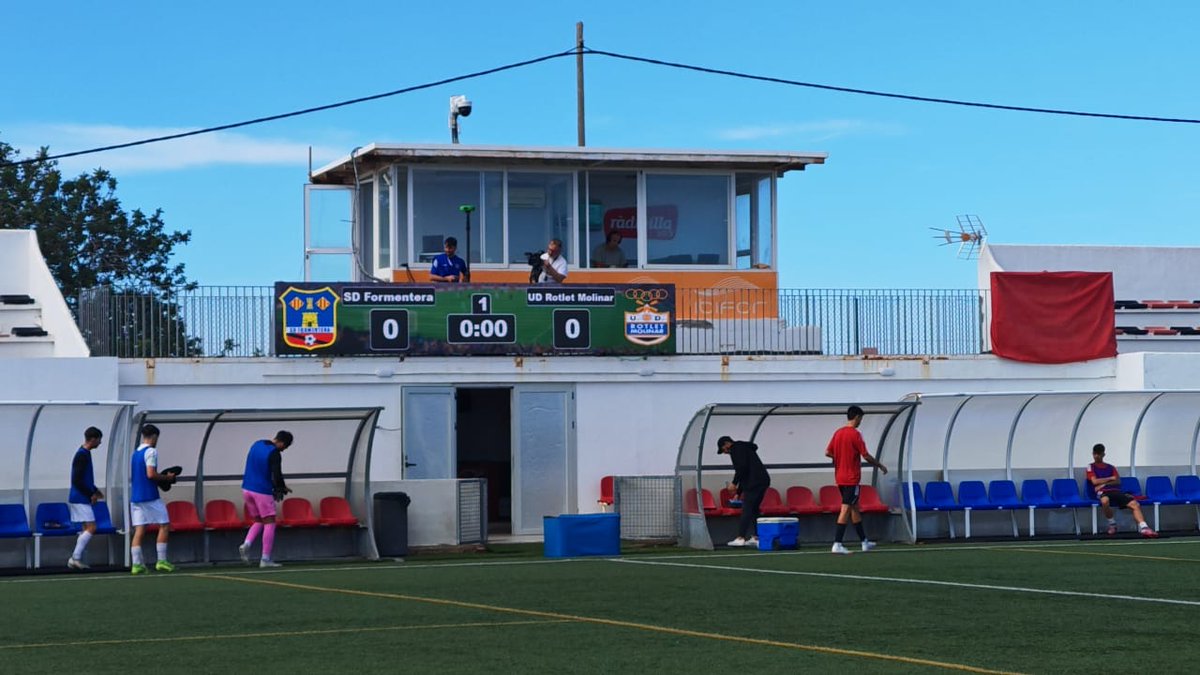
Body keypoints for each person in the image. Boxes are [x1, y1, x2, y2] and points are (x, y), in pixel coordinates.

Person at [825, 405, 888, 555]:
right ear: (857, 417)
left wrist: (840, 458)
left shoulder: (838, 433)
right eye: (861, 419)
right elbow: (865, 455)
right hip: (851, 479)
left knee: (854, 509)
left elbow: (828, 452)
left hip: (840, 478)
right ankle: (837, 543)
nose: (860, 422)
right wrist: (879, 465)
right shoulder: (855, 434)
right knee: (846, 509)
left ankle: (864, 542)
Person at [238, 430, 295, 568]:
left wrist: (280, 486)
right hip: (262, 491)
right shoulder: (274, 453)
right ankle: (265, 559)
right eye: (285, 447)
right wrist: (280, 487)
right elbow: (277, 474)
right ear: (281, 442)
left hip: (247, 488)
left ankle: (247, 544)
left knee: (258, 520)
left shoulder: (257, 444)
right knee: (270, 522)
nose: (283, 450)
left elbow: (257, 467)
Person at [129, 423, 178, 574]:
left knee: (140, 529)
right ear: (154, 437)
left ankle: (136, 564)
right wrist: (167, 478)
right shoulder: (151, 451)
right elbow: (151, 474)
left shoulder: (136, 452)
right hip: (150, 495)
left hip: (136, 497)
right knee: (164, 525)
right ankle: (161, 561)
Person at [1087, 443, 1158, 537]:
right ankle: (1112, 524)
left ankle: (1144, 528)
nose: (1096, 456)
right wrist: (1110, 478)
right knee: (1104, 501)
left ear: (1103, 454)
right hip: (1102, 492)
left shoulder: (1111, 467)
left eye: (1099, 454)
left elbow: (1117, 481)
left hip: (1115, 491)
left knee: (1134, 504)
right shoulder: (1090, 467)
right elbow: (1094, 481)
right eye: (1095, 454)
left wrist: (1104, 483)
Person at [717, 435, 771, 547]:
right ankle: (757, 537)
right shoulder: (744, 448)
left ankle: (740, 537)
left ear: (727, 444)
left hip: (754, 482)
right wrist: (738, 493)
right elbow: (745, 473)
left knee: (747, 509)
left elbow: (742, 468)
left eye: (724, 450)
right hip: (761, 480)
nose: (725, 453)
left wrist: (734, 483)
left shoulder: (736, 449)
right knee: (754, 509)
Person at [67, 426, 105, 570]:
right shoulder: (82, 455)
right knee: (91, 527)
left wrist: (95, 490)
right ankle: (75, 558)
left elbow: (84, 478)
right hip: (80, 498)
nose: (100, 443)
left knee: (85, 528)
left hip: (80, 496)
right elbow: (77, 480)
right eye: (99, 440)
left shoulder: (85, 454)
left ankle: (77, 558)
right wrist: (91, 494)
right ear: (93, 439)